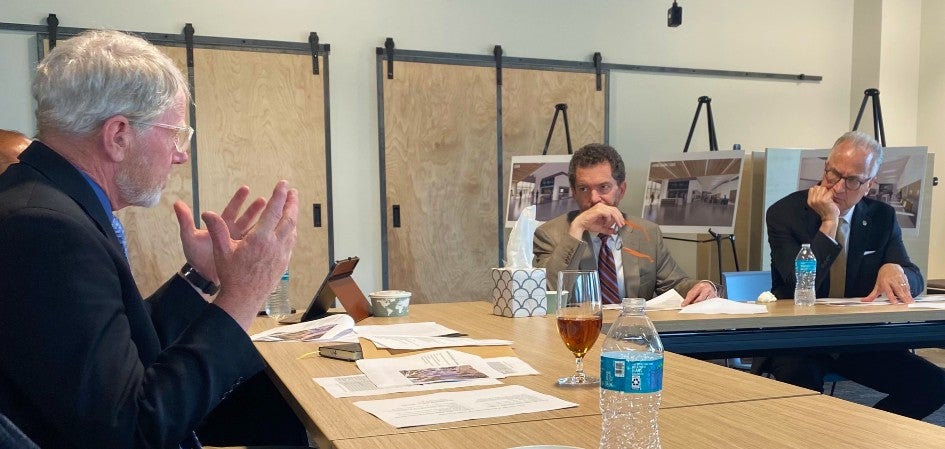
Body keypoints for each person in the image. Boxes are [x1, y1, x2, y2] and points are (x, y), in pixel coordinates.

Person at [0, 30, 307, 447]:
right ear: (118, 135)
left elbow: (117, 350)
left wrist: (199, 277)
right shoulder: (46, 229)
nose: (180, 154)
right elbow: (133, 431)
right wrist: (244, 295)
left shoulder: (46, 202)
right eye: (175, 133)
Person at [762, 131, 945, 419]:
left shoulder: (882, 217)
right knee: (801, 393)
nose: (837, 187)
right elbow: (798, 284)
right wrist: (829, 222)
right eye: (832, 174)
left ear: (870, 184)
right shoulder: (784, 213)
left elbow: (914, 277)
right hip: (798, 338)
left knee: (933, 385)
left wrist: (895, 269)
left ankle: (862, 438)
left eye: (853, 180)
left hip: (856, 337)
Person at [533, 143, 717, 305]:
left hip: (634, 334)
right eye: (584, 189)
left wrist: (702, 286)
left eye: (603, 187)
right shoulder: (549, 234)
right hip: (576, 336)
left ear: (621, 190)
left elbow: (675, 285)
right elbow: (547, 294)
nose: (594, 199)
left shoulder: (647, 233)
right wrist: (577, 229)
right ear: (573, 192)